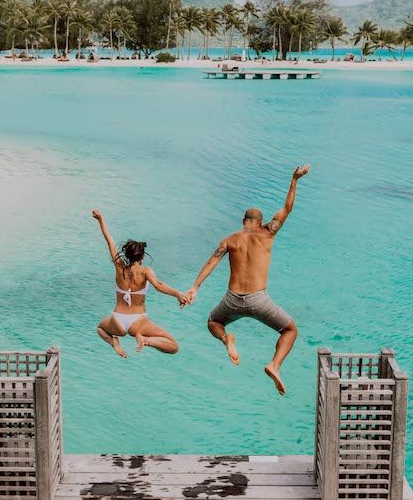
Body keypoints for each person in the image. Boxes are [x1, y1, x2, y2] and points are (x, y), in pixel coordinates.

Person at [183, 165, 310, 394]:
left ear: (243, 220)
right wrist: (294, 179)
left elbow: (211, 262)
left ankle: (226, 340)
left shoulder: (230, 240)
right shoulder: (268, 232)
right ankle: (274, 365)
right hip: (258, 300)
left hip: (232, 300)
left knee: (213, 322)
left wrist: (194, 287)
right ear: (260, 221)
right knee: (290, 330)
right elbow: (287, 209)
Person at [92, 209, 186, 357]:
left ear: (127, 255)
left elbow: (109, 239)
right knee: (173, 346)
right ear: (141, 256)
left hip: (117, 320)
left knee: (100, 328)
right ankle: (146, 341)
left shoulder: (119, 267)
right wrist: (178, 294)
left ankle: (114, 343)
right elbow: (159, 285)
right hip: (138, 322)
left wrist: (100, 219)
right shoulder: (145, 271)